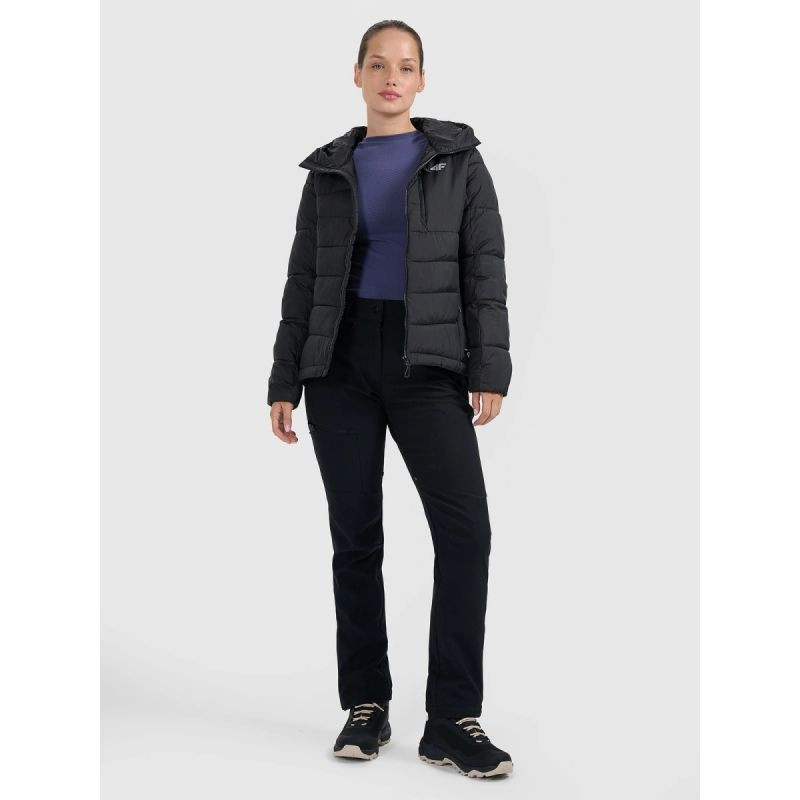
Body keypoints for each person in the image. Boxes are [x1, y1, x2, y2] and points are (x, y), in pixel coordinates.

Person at [267, 20, 513, 779]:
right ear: (358, 75)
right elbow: (304, 278)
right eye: (378, 65)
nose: (391, 78)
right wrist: (284, 378)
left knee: (465, 534)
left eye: (405, 66)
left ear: (422, 79)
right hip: (339, 364)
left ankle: (452, 719)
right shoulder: (329, 171)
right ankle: (366, 705)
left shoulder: (458, 162)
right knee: (356, 538)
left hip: (427, 361)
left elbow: (485, 266)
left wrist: (489, 367)